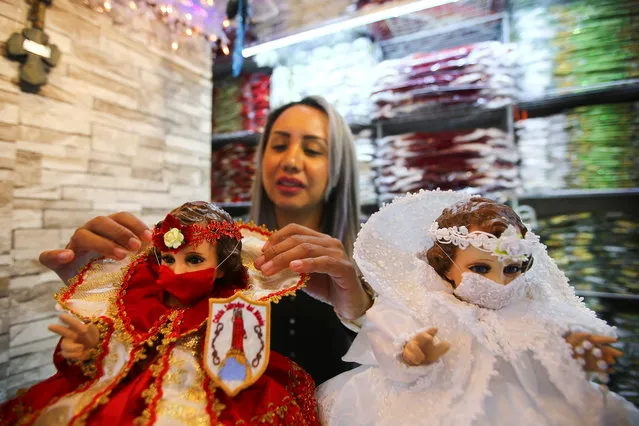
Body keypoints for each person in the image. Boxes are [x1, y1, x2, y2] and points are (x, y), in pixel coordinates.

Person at [38, 96, 372, 385]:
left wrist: (359, 309)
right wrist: (102, 288)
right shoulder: (219, 251)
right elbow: (156, 345)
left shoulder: (376, 262)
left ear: (339, 166)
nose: (290, 161)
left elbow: (405, 370)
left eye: (313, 150)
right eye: (279, 145)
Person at [316, 190, 639, 426]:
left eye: (512, 269)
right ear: (445, 263)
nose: (500, 282)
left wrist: (573, 350)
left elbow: (548, 332)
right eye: (481, 269)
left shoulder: (526, 302)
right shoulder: (424, 299)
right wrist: (410, 352)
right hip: (434, 398)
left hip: (520, 397)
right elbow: (389, 326)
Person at [2, 201, 318, 426]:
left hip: (200, 396)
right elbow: (115, 353)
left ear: (222, 266)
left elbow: (237, 362)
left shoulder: (231, 310)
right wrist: (89, 348)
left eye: (193, 260)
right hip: (122, 394)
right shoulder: (138, 301)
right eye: (168, 259)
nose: (177, 271)